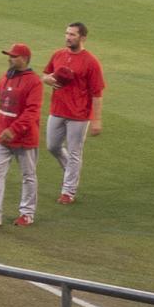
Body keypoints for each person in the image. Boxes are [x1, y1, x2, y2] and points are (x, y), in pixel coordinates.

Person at [0, 43, 44, 228]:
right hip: (2, 137)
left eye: (13, 56)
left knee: (28, 175)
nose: (9, 58)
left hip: (24, 139)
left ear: (24, 59)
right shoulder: (5, 77)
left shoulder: (34, 82)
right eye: (9, 55)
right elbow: (2, 106)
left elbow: (32, 112)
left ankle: (27, 214)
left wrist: (13, 129)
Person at [43, 22, 106, 205]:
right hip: (57, 110)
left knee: (74, 152)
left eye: (72, 34)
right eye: (67, 33)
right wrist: (47, 80)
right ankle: (70, 171)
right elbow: (45, 74)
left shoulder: (91, 62)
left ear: (82, 38)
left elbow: (97, 92)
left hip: (79, 114)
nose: (68, 37)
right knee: (52, 146)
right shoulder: (58, 54)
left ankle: (68, 191)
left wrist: (96, 120)